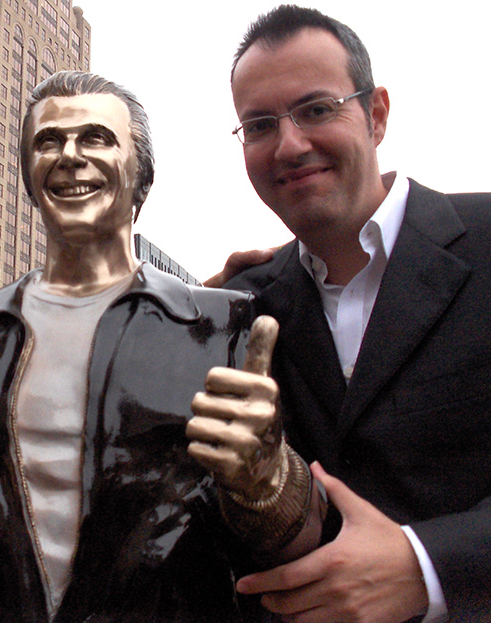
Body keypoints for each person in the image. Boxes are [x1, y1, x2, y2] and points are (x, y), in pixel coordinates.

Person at [0, 70, 327, 622]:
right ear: (29, 175)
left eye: (96, 138)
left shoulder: (223, 327)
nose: (69, 155)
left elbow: (288, 550)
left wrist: (268, 481)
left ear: (141, 175)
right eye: (48, 141)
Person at [217, 5, 491, 622]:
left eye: (317, 109)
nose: (289, 145)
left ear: (376, 114)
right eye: (259, 124)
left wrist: (429, 568)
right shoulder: (241, 306)